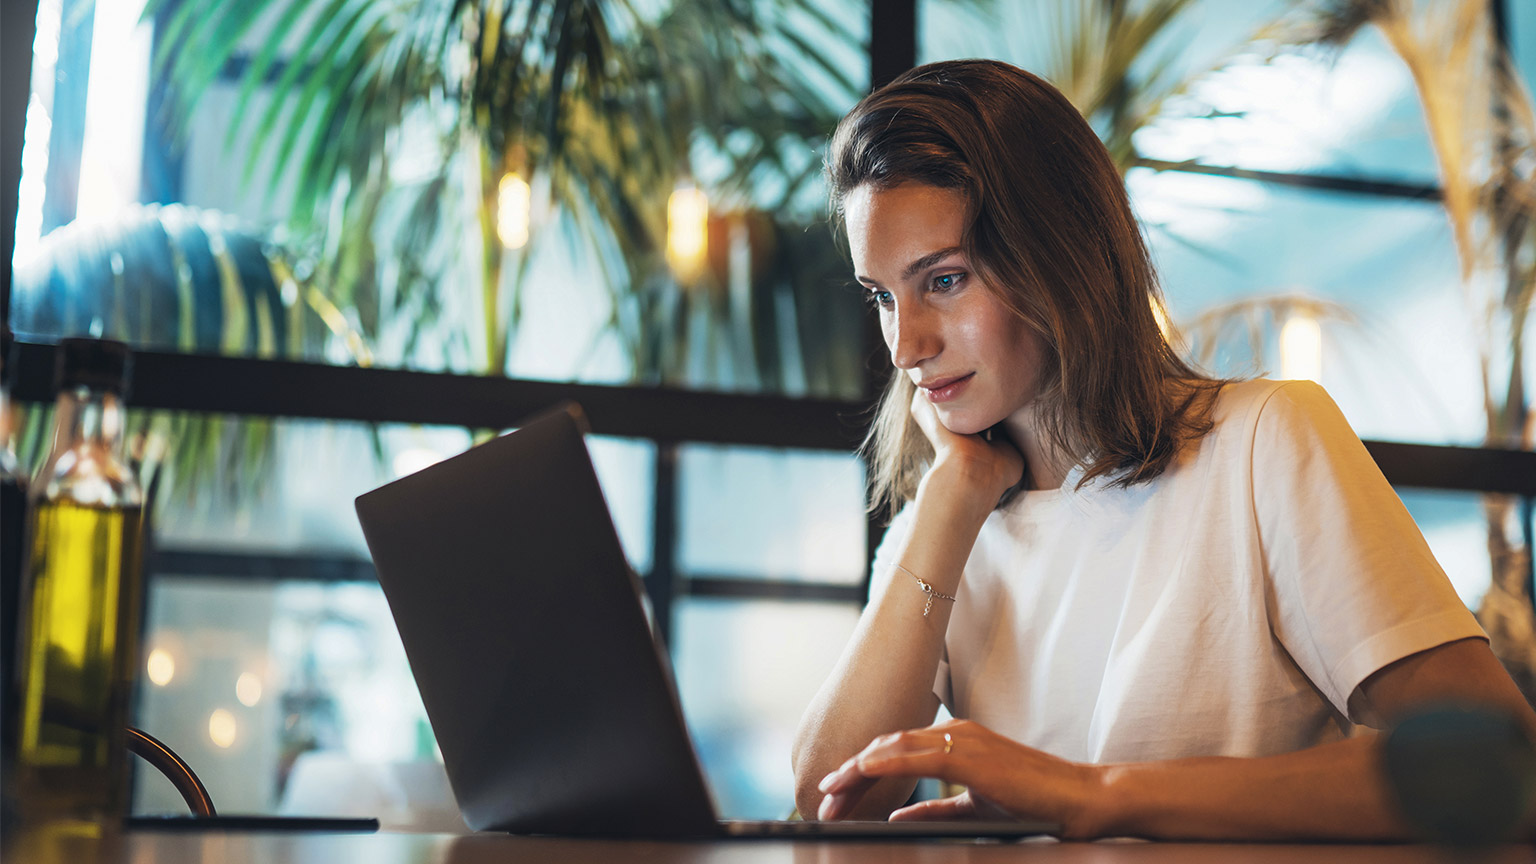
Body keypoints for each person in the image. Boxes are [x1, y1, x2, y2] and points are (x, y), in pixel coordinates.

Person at [790, 58, 1536, 841]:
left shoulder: (1262, 443)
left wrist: (1099, 793)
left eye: (944, 280)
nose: (906, 344)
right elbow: (832, 800)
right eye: (881, 295)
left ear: (1060, 257)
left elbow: (1499, 763)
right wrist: (952, 497)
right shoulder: (941, 523)